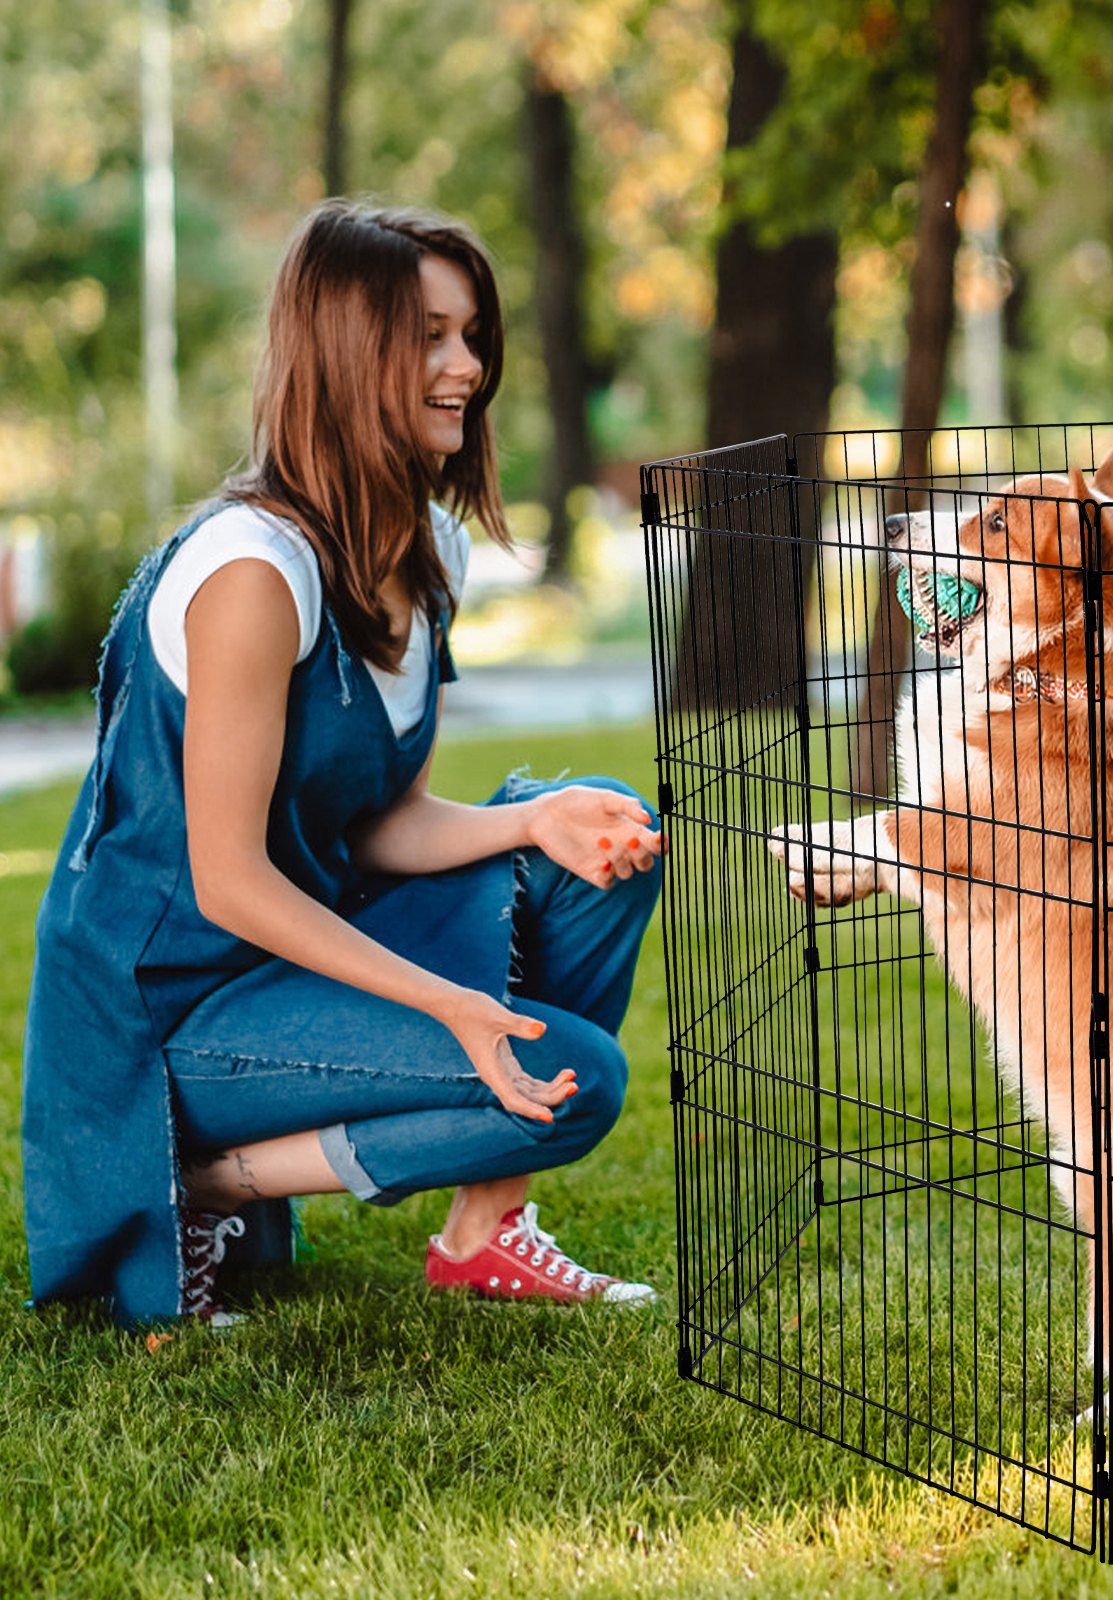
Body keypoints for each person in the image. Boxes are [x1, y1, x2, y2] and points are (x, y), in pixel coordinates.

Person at [21, 200, 664, 1328]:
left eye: (469, 335)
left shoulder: (425, 546)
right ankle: (202, 1178)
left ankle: (485, 1232)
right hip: (171, 1011)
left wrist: (534, 820)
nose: (466, 365)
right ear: (343, 353)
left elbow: (380, 823)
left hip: (296, 952)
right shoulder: (251, 574)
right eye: (429, 335)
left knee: (606, 834)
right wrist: (451, 1003)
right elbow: (224, 879)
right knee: (584, 1078)